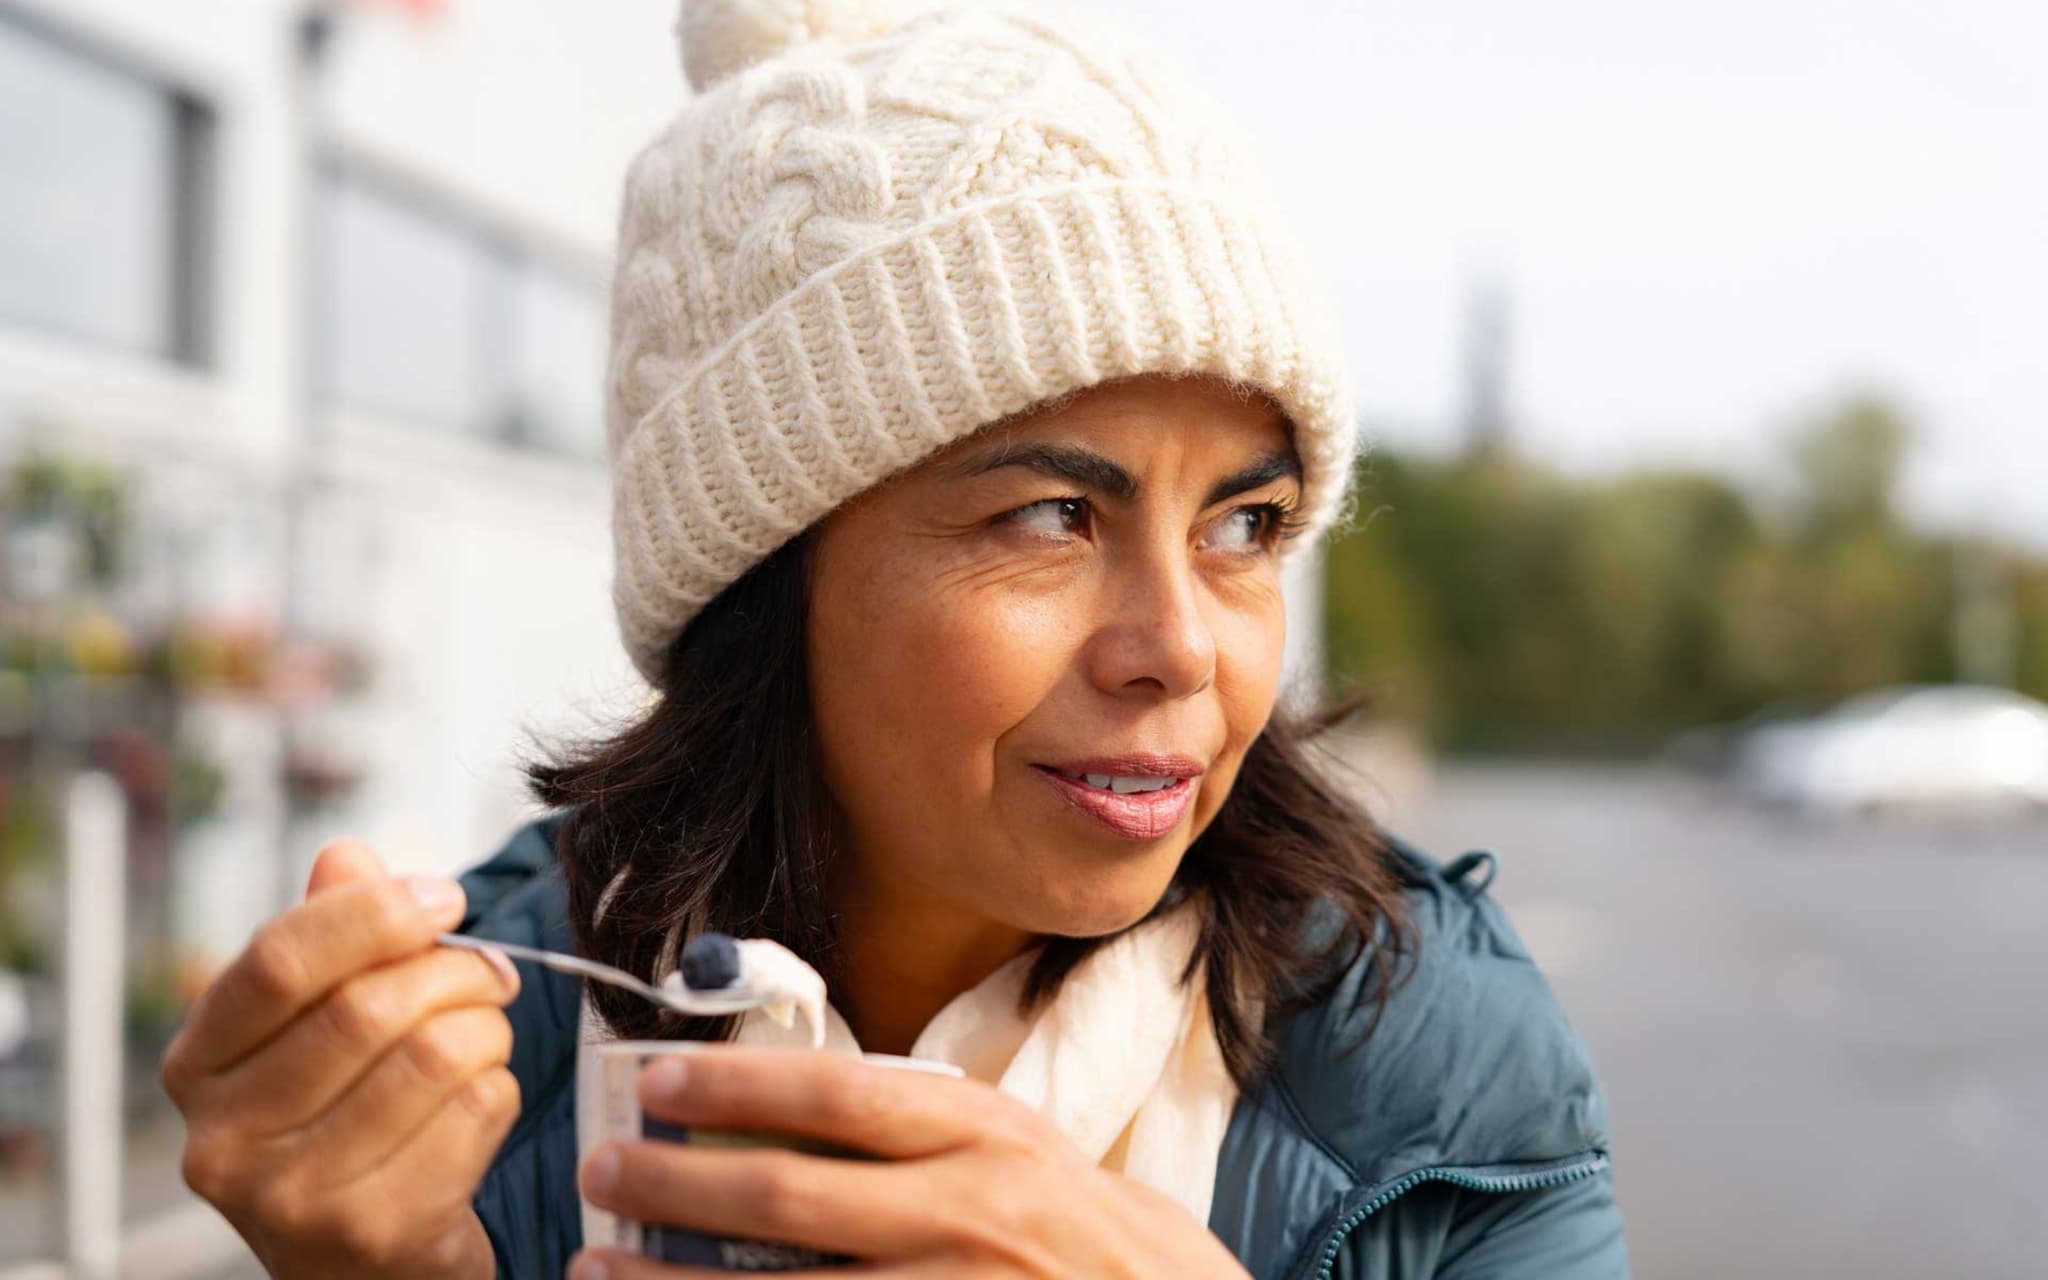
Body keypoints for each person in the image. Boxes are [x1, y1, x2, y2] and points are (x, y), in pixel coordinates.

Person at [161, 0, 1628, 1276]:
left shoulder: (1443, 1058)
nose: (1180, 650)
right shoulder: (473, 1076)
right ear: (762, 580)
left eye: (1242, 527)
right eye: (1053, 515)